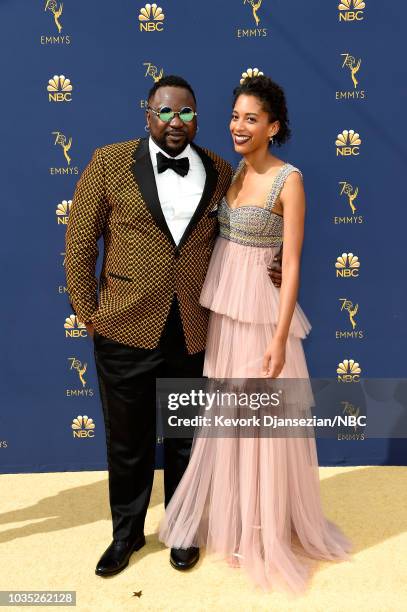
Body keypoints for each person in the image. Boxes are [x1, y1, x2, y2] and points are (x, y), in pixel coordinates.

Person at [65, 74, 283, 578]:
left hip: (192, 329)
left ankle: (182, 530)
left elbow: (244, 232)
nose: (175, 122)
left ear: (197, 118)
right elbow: (80, 242)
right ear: (147, 115)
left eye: (185, 113)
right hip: (124, 328)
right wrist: (88, 312)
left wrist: (273, 263)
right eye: (164, 112)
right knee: (128, 440)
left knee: (186, 438)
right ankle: (125, 535)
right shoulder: (109, 162)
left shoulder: (220, 168)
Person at [159, 75, 352, 594]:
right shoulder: (232, 171)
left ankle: (265, 533)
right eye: (235, 116)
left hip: (264, 322)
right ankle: (239, 524)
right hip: (224, 313)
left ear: (274, 126)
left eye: (251, 118)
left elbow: (290, 267)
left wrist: (279, 336)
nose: (238, 126)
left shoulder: (290, 180)